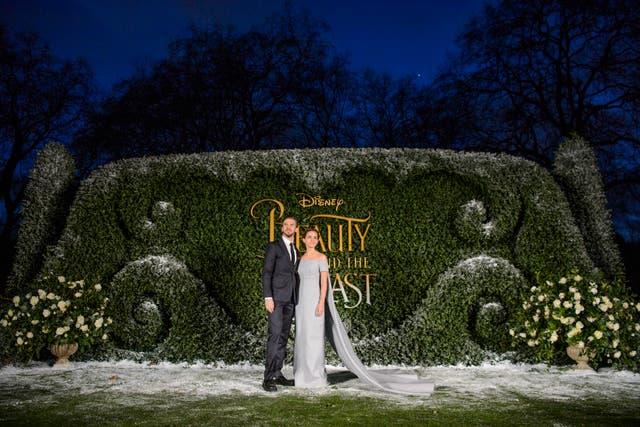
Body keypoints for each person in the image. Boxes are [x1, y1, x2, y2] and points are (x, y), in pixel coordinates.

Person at [261, 215, 299, 392]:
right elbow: (267, 272)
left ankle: (277, 373)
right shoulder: (274, 246)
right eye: (286, 224)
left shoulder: (295, 249)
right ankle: (268, 378)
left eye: (292, 225)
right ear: (282, 227)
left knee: (283, 337)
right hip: (276, 299)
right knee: (274, 336)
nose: (288, 227)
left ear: (296, 229)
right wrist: (268, 297)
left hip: (290, 299)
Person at [293, 228, 329, 388]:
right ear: (303, 239)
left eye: (315, 237)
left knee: (314, 338)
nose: (312, 240)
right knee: (302, 336)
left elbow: (324, 282)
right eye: (309, 237)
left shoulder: (322, 257)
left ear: (318, 240)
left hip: (315, 301)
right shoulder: (299, 258)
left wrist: (321, 302)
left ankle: (315, 374)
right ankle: (301, 373)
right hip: (300, 303)